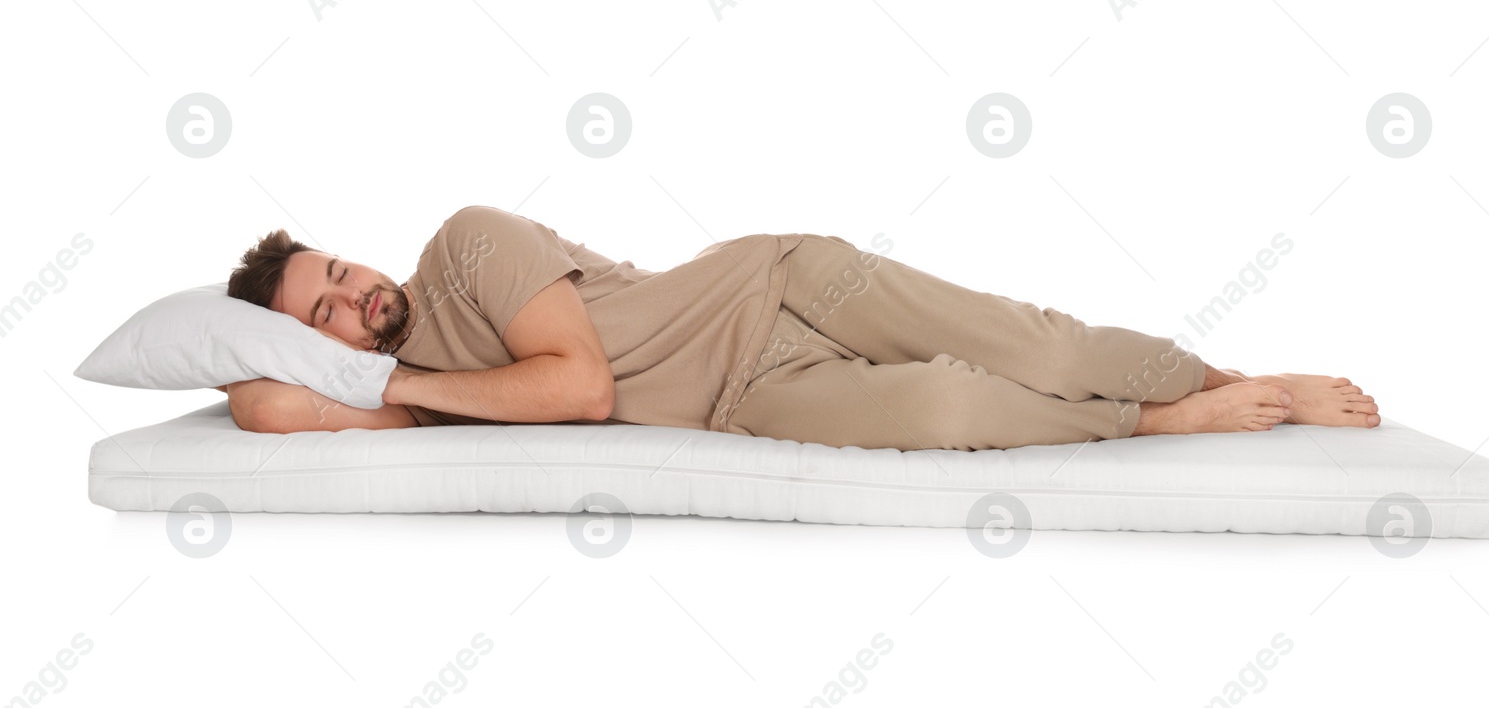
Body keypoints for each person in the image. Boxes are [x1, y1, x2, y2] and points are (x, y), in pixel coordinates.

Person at [218, 206, 1380, 451]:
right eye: (322, 312)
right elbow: (260, 403)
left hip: (773, 290)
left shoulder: (463, 246)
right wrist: (355, 386)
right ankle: (1167, 416)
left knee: (1039, 349)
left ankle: (1233, 375)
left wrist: (389, 399)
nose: (351, 294)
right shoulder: (408, 384)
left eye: (337, 268)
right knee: (944, 406)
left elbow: (574, 384)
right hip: (743, 399)